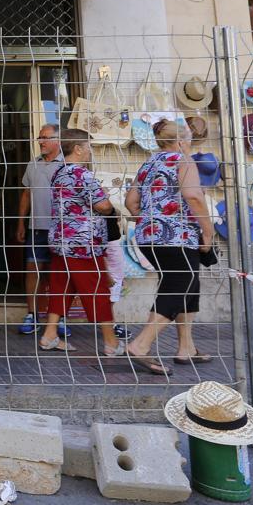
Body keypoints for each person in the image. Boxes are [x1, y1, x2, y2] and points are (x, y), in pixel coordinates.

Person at [124, 118, 216, 376]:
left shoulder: (148, 164)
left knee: (188, 285)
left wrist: (151, 219)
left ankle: (186, 348)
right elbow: (193, 196)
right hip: (178, 236)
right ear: (181, 140)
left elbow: (131, 202)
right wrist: (207, 231)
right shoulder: (183, 161)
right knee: (180, 285)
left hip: (148, 237)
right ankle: (140, 345)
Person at [37, 129, 123, 357]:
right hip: (83, 243)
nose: (90, 152)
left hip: (61, 241)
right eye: (88, 147)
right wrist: (112, 209)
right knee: (97, 290)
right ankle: (111, 342)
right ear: (77, 149)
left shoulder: (58, 172)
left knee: (61, 288)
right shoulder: (82, 174)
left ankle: (49, 335)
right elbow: (103, 205)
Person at [15, 124, 66, 337]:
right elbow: (26, 194)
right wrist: (21, 223)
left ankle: (59, 317)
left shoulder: (67, 164)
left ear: (58, 141)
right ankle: (32, 314)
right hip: (36, 228)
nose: (41, 142)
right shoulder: (32, 164)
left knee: (59, 274)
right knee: (32, 270)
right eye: (40, 137)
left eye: (46, 138)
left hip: (61, 229)